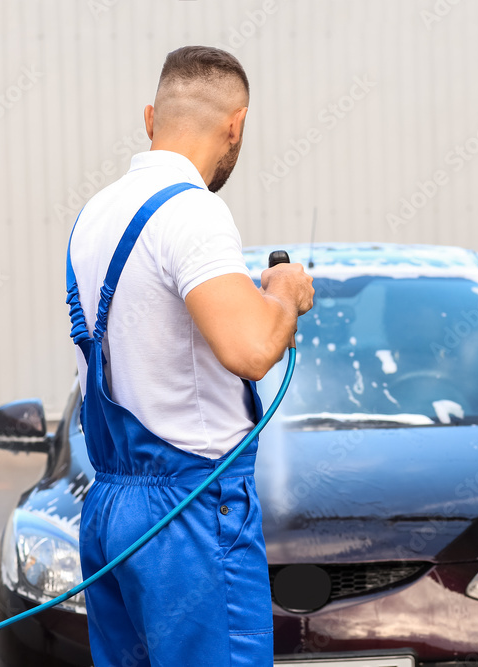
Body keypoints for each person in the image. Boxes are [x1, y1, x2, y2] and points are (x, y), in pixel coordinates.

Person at [64, 45, 313, 667]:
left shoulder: (96, 214)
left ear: (151, 119)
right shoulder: (193, 211)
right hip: (189, 513)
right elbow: (253, 351)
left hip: (114, 508)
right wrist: (282, 294)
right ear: (237, 125)